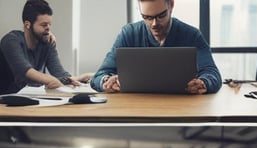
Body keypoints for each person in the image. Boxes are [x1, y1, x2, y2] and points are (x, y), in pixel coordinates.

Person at [91, 0, 222, 94]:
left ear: (171, 5)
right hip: (135, 108)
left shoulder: (191, 35)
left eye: (161, 16)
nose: (154, 24)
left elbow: (212, 73)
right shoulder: (129, 33)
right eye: (147, 17)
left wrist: (204, 82)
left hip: (181, 107)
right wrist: (107, 81)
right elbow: (98, 77)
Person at [0, 0, 91, 94]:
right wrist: (51, 80)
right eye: (43, 25)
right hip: (4, 99)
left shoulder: (47, 42)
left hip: (27, 99)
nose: (48, 28)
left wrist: (81, 78)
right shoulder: (11, 41)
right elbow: (25, 71)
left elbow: (59, 74)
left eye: (49, 24)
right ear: (28, 25)